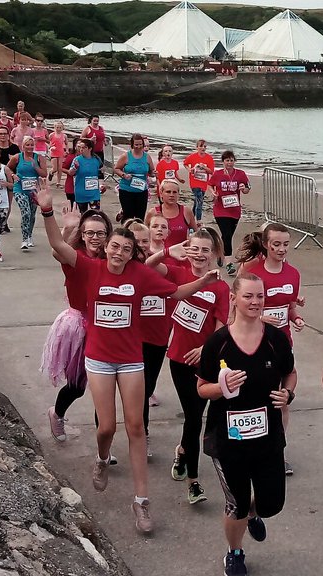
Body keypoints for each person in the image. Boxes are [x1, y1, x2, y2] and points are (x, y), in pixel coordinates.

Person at [37, 189, 218, 534]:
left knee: (136, 428)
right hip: (100, 359)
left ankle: (142, 502)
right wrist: (47, 213)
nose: (118, 253)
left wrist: (203, 281)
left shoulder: (140, 274)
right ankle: (102, 459)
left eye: (125, 248)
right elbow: (60, 249)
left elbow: (175, 293)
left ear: (132, 252)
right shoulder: (91, 269)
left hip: (130, 360)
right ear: (104, 249)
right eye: (113, 247)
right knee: (107, 427)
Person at [196, 273, 297, 576]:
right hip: (228, 439)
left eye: (260, 297)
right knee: (236, 503)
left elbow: (290, 374)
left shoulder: (275, 338)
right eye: (248, 296)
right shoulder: (218, 342)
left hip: (267, 436)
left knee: (272, 503)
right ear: (234, 299)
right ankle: (235, 552)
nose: (255, 302)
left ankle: (255, 512)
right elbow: (201, 388)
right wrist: (222, 388)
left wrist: (288, 394)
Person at [147, 228, 228, 505]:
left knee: (196, 417)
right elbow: (147, 267)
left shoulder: (220, 287)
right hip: (179, 359)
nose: (199, 255)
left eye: (206, 250)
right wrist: (169, 250)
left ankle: (182, 451)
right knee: (194, 418)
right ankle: (194, 482)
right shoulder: (178, 273)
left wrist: (205, 349)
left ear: (215, 254)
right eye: (195, 249)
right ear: (188, 250)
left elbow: (221, 327)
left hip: (205, 363)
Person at [238, 223, 305, 475]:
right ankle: (249, 446)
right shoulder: (253, 274)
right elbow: (238, 309)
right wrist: (261, 318)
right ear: (265, 244)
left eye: (285, 244)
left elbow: (288, 306)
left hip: (282, 343)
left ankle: (277, 451)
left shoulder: (294, 274)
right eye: (276, 244)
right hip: (254, 343)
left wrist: (296, 318)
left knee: (281, 400)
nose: (281, 249)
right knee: (252, 397)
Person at [44, 207, 112, 442]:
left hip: (106, 325)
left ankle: (104, 446)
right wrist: (68, 227)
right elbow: (57, 250)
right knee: (77, 386)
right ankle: (57, 413)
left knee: (103, 388)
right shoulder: (76, 257)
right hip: (79, 325)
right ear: (82, 235)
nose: (95, 238)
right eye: (90, 233)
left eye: (100, 233)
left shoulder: (111, 259)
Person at [128, 219, 172, 460]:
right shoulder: (124, 270)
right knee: (140, 391)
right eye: (137, 242)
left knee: (148, 387)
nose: (142, 246)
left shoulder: (162, 265)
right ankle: (140, 435)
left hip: (158, 337)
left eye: (145, 241)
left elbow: (178, 289)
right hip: (132, 340)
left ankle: (138, 428)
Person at [7, 135, 47, 252]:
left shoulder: (39, 158)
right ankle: (24, 239)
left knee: (32, 214)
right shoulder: (17, 158)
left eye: (31, 145)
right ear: (23, 146)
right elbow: (7, 168)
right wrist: (13, 175)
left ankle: (29, 235)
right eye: (27, 145)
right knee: (26, 213)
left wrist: (35, 167)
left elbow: (44, 174)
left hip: (34, 190)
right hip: (19, 189)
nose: (29, 147)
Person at [210, 150, 251, 259]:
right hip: (220, 209)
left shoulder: (240, 174)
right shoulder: (217, 174)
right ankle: (229, 263)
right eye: (227, 160)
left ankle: (219, 252)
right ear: (223, 161)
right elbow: (210, 184)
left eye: (231, 160)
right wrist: (213, 192)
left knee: (227, 235)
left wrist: (244, 188)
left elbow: (247, 189)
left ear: (234, 161)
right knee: (227, 236)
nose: (229, 163)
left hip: (234, 210)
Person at [147, 180, 197, 251]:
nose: (171, 195)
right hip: (159, 255)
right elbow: (145, 236)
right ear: (161, 193)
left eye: (174, 192)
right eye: (168, 192)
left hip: (181, 255)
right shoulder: (153, 212)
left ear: (178, 194)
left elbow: (196, 233)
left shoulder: (186, 211)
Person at [115, 133, 153, 223]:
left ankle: (138, 235)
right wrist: (124, 175)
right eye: (136, 144)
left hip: (141, 191)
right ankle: (126, 234)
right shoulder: (126, 156)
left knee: (140, 217)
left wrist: (154, 173)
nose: (138, 147)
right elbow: (116, 168)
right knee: (128, 216)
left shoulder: (147, 157)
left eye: (140, 144)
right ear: (132, 145)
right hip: (126, 190)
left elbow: (151, 171)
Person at [183, 139, 214, 222]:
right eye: (201, 146)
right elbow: (185, 163)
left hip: (203, 183)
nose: (203, 148)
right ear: (197, 147)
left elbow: (211, 171)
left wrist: (204, 167)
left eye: (204, 146)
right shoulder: (193, 156)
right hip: (194, 183)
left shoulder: (209, 158)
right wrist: (189, 169)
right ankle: (199, 221)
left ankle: (190, 220)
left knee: (197, 202)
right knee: (200, 201)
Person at [69, 139, 103, 211]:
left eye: (83, 147)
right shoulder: (77, 159)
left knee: (95, 215)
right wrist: (75, 167)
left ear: (90, 148)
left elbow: (101, 174)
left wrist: (102, 185)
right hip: (81, 193)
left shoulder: (97, 160)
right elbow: (70, 173)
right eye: (80, 147)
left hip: (94, 193)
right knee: (83, 216)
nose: (81, 149)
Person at [48, 121, 68, 187]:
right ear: (55, 127)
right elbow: (48, 142)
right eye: (57, 127)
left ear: (62, 128)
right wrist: (50, 147)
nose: (58, 129)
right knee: (55, 168)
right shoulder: (51, 135)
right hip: (53, 152)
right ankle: (51, 172)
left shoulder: (64, 135)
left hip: (60, 152)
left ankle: (58, 182)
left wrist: (66, 150)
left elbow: (66, 143)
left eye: (60, 127)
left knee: (60, 168)